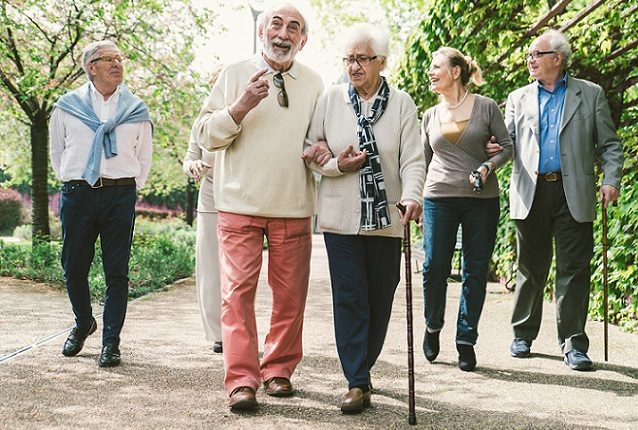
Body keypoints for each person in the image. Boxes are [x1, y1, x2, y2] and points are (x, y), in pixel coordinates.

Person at [194, 2, 327, 412]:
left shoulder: (316, 83)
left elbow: (320, 137)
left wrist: (322, 148)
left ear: (303, 40)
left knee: (290, 298)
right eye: (276, 24)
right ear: (261, 32)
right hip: (238, 204)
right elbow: (204, 136)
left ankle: (279, 370)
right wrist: (240, 106)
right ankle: (241, 380)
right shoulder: (234, 74)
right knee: (236, 295)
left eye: (294, 27)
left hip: (293, 205)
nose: (284, 33)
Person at [303, 23, 425, 414]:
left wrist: (411, 196)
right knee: (350, 297)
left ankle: (364, 367)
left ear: (381, 62)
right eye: (349, 59)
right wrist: (339, 163)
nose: (354, 66)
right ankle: (356, 380)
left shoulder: (403, 103)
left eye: (362, 59)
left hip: (387, 218)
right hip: (341, 218)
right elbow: (311, 149)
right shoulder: (331, 99)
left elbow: (412, 159)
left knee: (380, 297)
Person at [504, 29, 623, 371]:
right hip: (531, 190)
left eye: (536, 54)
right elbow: (506, 143)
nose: (530, 60)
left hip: (575, 191)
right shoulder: (518, 98)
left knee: (573, 269)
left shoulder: (591, 94)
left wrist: (611, 180)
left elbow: (610, 145)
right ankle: (523, 334)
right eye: (529, 55)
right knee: (530, 267)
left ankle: (573, 344)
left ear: (557, 58)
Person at [50, 40, 153, 368]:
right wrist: (76, 182)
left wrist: (125, 187)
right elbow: (57, 152)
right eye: (109, 59)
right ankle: (84, 323)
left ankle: (111, 342)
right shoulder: (67, 106)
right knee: (73, 268)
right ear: (91, 67)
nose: (117, 64)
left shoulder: (136, 109)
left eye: (120, 59)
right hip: (78, 194)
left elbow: (144, 157)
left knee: (116, 272)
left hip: (119, 196)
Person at [420, 47, 513, 372]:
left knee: (475, 270)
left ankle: (466, 339)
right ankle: (433, 326)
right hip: (438, 198)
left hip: (481, 200)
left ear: (455, 71)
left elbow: (507, 147)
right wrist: (418, 200)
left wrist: (488, 166)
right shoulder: (430, 115)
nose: (430, 72)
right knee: (434, 267)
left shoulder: (486, 107)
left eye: (436, 67)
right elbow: (424, 161)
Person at [182, 68, 223, 354]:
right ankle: (219, 334)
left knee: (238, 273)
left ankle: (240, 329)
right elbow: (189, 158)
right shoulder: (202, 121)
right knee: (210, 270)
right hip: (209, 199)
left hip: (241, 201)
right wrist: (193, 167)